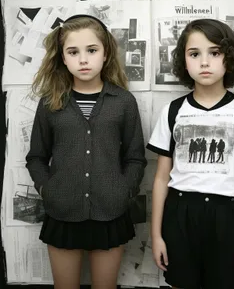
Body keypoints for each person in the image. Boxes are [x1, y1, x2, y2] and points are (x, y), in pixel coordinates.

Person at [147, 19, 234, 289]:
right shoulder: (172, 111)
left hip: (226, 216)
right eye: (195, 54)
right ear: (184, 60)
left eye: (214, 53)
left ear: (229, 57)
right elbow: (160, 179)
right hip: (180, 214)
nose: (204, 62)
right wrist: (156, 235)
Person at [26, 14, 147, 289]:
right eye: (73, 52)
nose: (83, 59)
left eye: (91, 50)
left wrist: (124, 190)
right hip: (62, 213)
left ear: (105, 54)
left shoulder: (124, 102)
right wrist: (48, 190)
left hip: (110, 213)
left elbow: (135, 157)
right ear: (63, 58)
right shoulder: (50, 103)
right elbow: (36, 157)